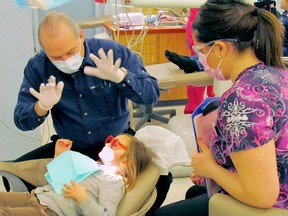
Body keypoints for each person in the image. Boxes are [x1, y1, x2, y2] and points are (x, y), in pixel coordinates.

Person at [11, 11, 170, 210]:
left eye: (70, 52)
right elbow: (21, 120)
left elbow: (151, 95)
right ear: (44, 51)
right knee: (14, 174)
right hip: (71, 146)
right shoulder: (38, 67)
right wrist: (40, 107)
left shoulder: (112, 54)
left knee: (162, 180)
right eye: (56, 57)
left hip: (116, 144)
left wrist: (122, 77)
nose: (65, 59)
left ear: (80, 36)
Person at [149, 0, 288, 215]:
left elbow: (262, 195)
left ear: (220, 48)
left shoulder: (242, 100)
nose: (200, 58)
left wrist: (210, 168)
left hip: (272, 204)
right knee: (195, 193)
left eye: (200, 50)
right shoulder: (276, 72)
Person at [0, 133, 155, 215]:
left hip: (46, 212)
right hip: (35, 197)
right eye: (110, 140)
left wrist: (83, 198)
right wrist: (60, 156)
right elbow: (59, 181)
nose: (108, 143)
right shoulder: (93, 166)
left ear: (126, 162)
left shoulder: (113, 182)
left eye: (115, 144)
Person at [165, 7, 215, 114]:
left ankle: (192, 62)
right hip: (200, 26)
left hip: (211, 25)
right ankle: (193, 110)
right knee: (200, 75)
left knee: (215, 70)